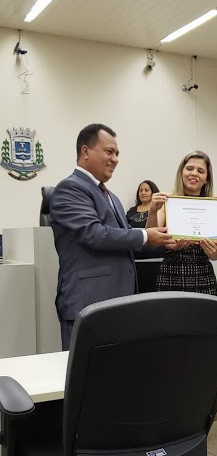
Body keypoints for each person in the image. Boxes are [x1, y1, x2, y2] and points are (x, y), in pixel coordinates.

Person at [50, 123, 172, 350]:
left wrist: (167, 241)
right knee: (85, 372)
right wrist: (145, 235)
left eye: (117, 154)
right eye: (109, 152)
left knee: (117, 370)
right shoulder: (69, 188)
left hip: (119, 306)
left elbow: (127, 242)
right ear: (85, 151)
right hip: (88, 305)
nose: (115, 159)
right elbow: (94, 234)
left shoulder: (112, 197)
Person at [147, 151, 217, 295]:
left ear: (206, 179)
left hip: (203, 277)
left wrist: (212, 251)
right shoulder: (166, 202)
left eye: (200, 171)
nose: (194, 173)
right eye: (189, 168)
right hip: (170, 275)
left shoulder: (212, 206)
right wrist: (152, 212)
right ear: (181, 173)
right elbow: (151, 242)